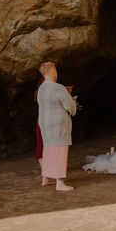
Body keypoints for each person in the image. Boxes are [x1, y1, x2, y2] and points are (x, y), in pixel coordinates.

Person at [37, 61, 77, 191]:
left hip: (45, 123)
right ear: (52, 71)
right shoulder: (58, 87)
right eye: (55, 70)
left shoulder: (41, 89)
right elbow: (69, 106)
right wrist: (73, 108)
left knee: (48, 150)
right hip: (58, 124)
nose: (56, 73)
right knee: (60, 151)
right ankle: (60, 183)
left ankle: (46, 177)